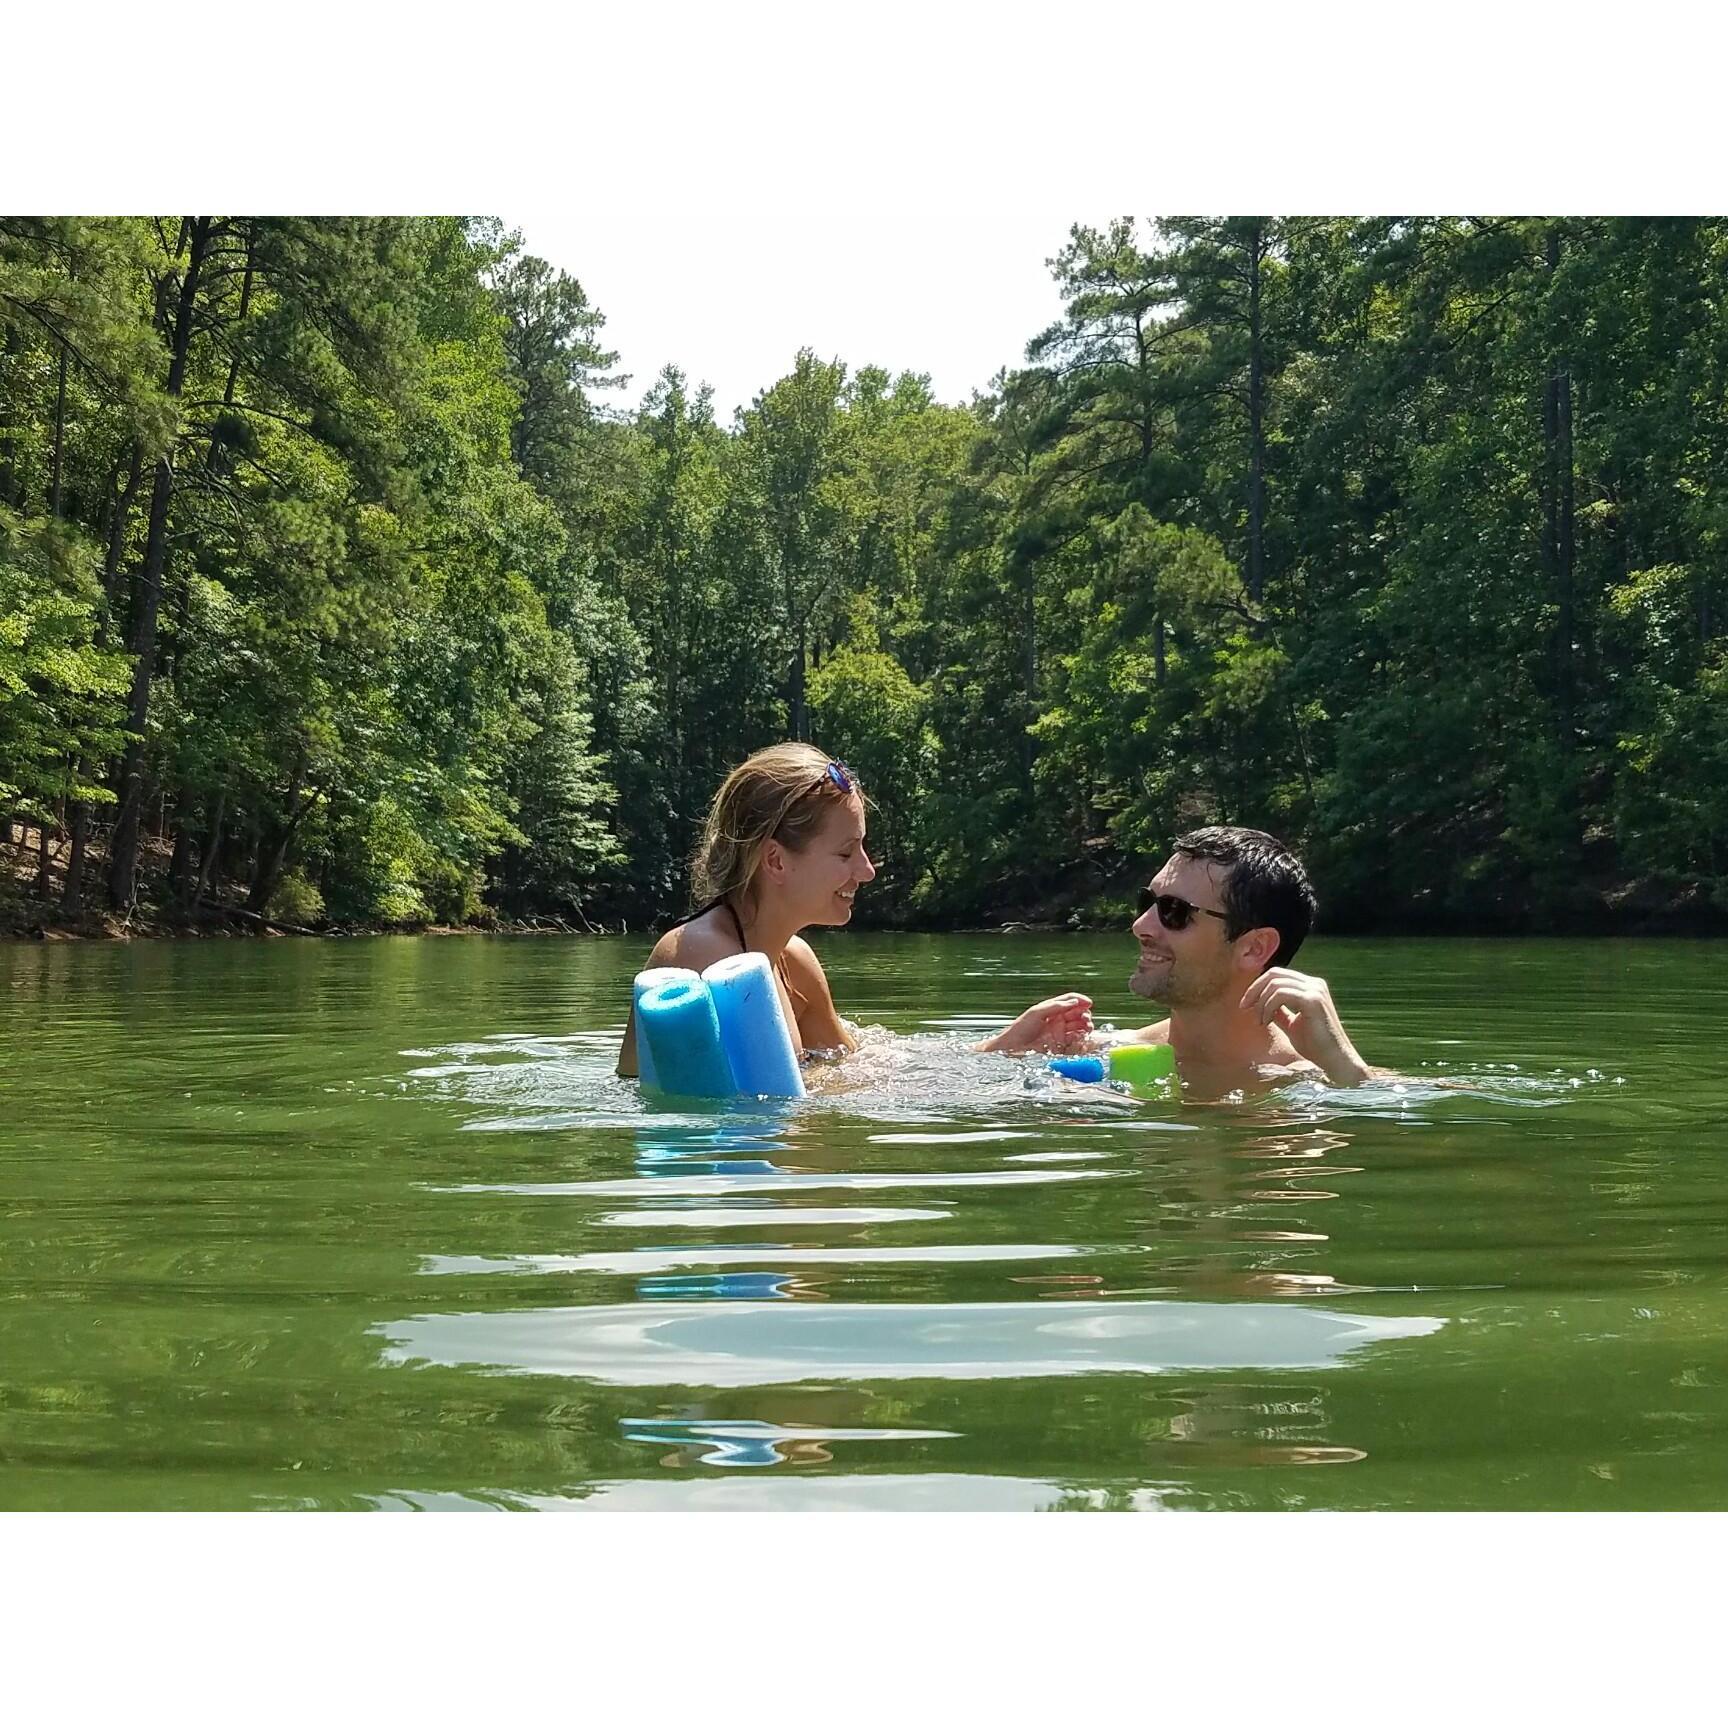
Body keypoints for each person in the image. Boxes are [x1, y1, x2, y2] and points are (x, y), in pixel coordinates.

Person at [618, 741, 1090, 1078]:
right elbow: (755, 1106)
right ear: (776, 860)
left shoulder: (792, 960)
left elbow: (855, 1062)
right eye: (846, 853)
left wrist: (1003, 1047)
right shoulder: (702, 957)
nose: (866, 871)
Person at [997, 825, 1372, 1096]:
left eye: (1173, 911)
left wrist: (1347, 1069)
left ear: (1254, 948)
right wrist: (1002, 1052)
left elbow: (1414, 1151)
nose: (1140, 926)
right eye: (1148, 903)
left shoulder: (1313, 1079)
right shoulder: (1102, 1051)